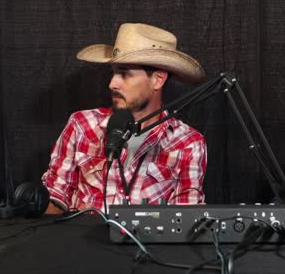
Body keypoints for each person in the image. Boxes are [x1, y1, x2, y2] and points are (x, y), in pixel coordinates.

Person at [42, 23, 207, 214]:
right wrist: (33, 205)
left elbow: (184, 218)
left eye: (125, 74)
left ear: (158, 79)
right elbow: (56, 195)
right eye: (113, 72)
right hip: (79, 241)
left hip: (144, 244)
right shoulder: (82, 125)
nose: (112, 84)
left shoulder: (188, 144)